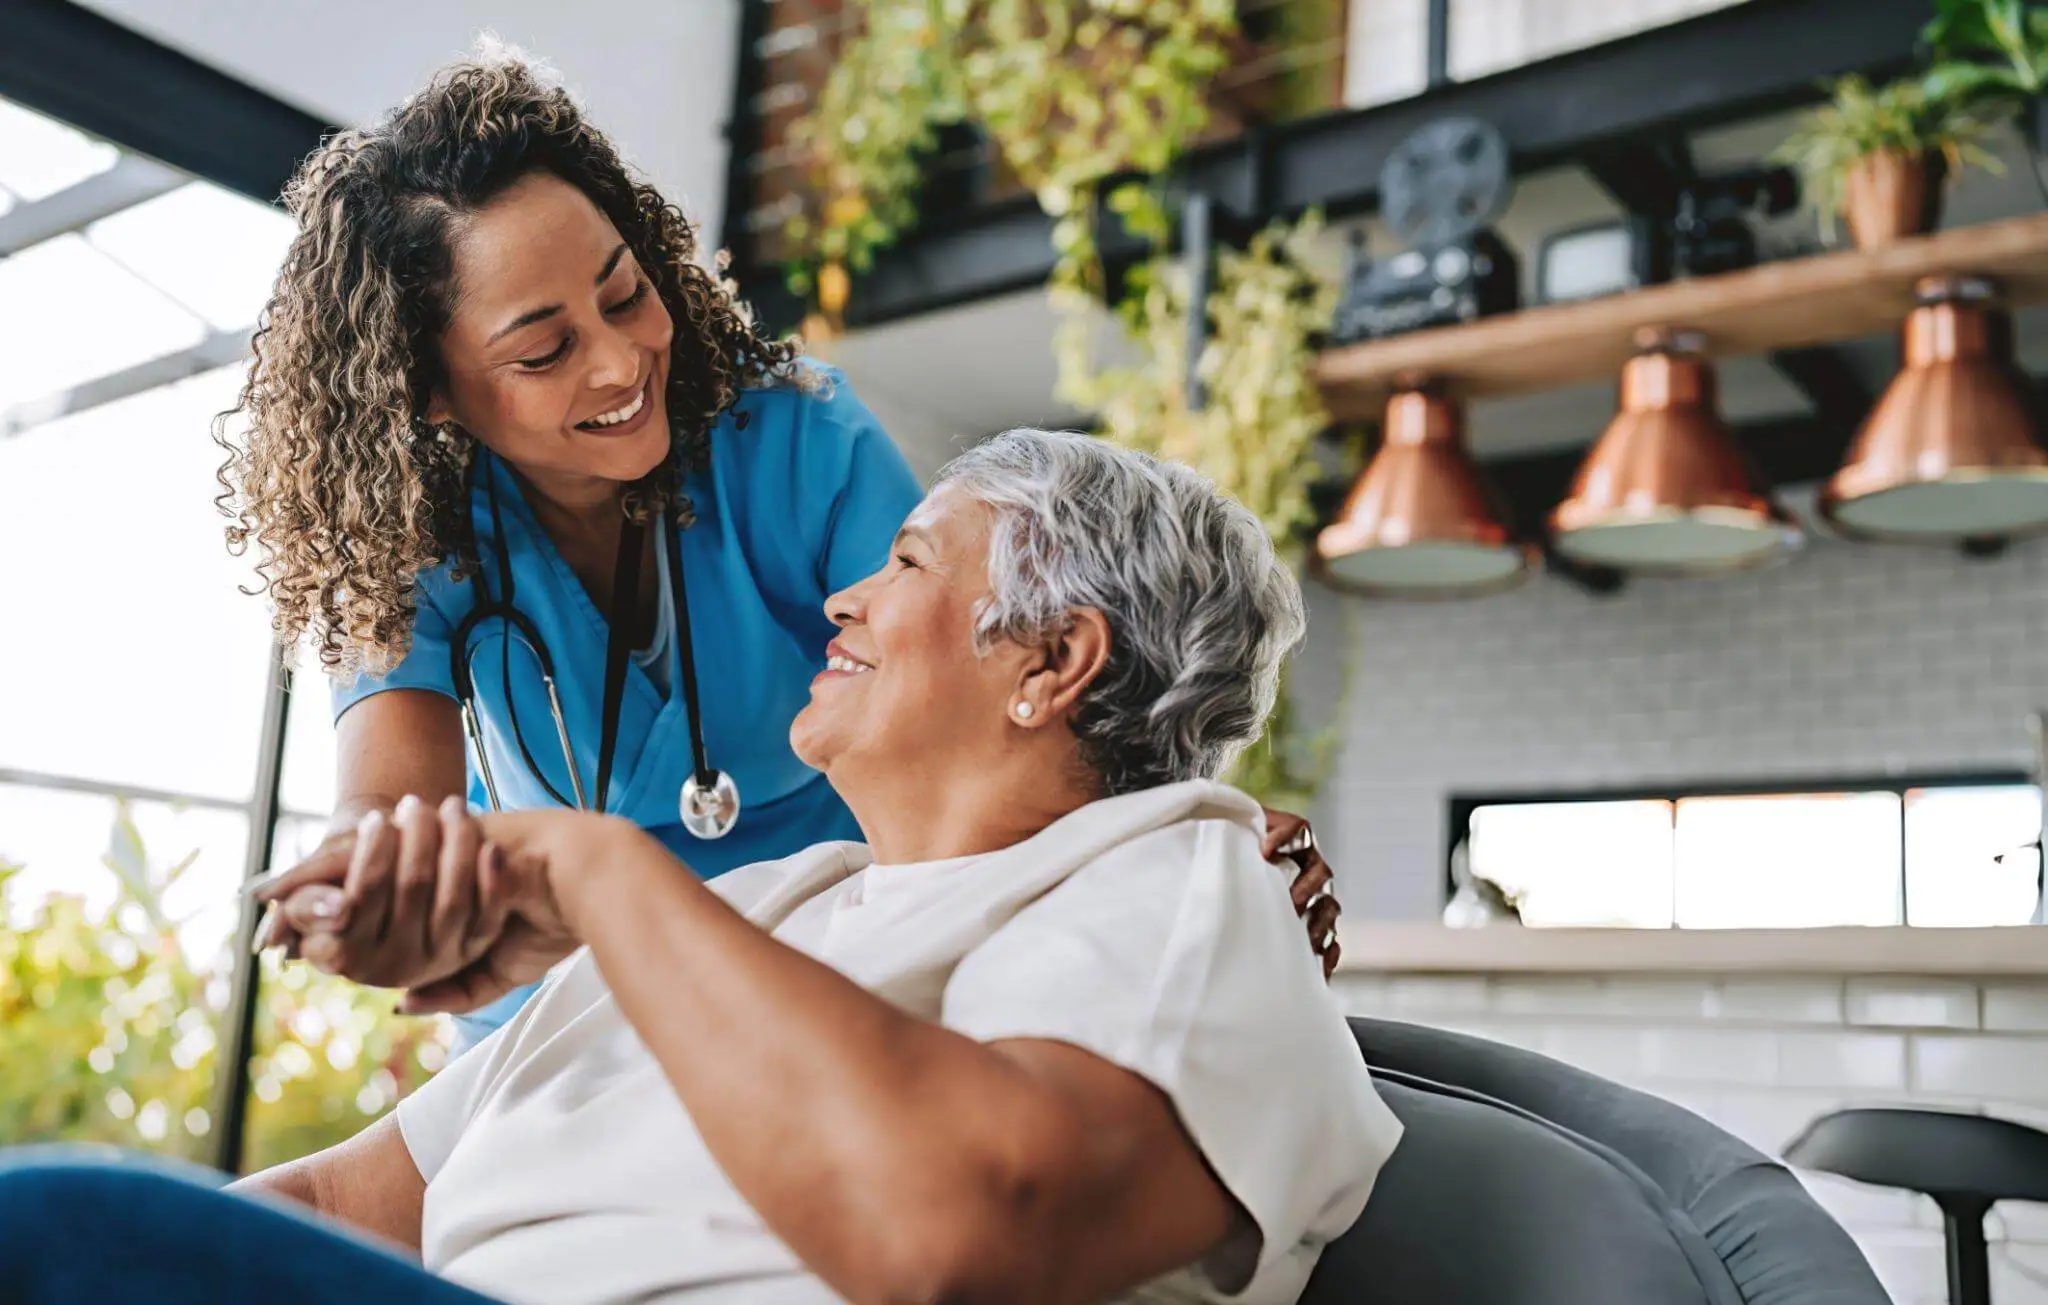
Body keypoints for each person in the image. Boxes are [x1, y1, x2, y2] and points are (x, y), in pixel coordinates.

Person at [0, 430, 1399, 1305]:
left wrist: (599, 870)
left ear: (1051, 662)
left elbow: (960, 1233)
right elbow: (329, 1207)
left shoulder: (1176, 888)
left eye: (908, 562)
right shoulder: (758, 910)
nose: (845, 593)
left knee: (57, 1227)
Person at [218, 48, 1343, 1050]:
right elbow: (387, 814)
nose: (618, 364)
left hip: (818, 985)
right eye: (544, 350)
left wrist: (1181, 842)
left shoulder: (797, 441)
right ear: (428, 395)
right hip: (553, 1025)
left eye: (625, 294)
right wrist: (370, 891)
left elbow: (992, 694)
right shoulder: (417, 534)